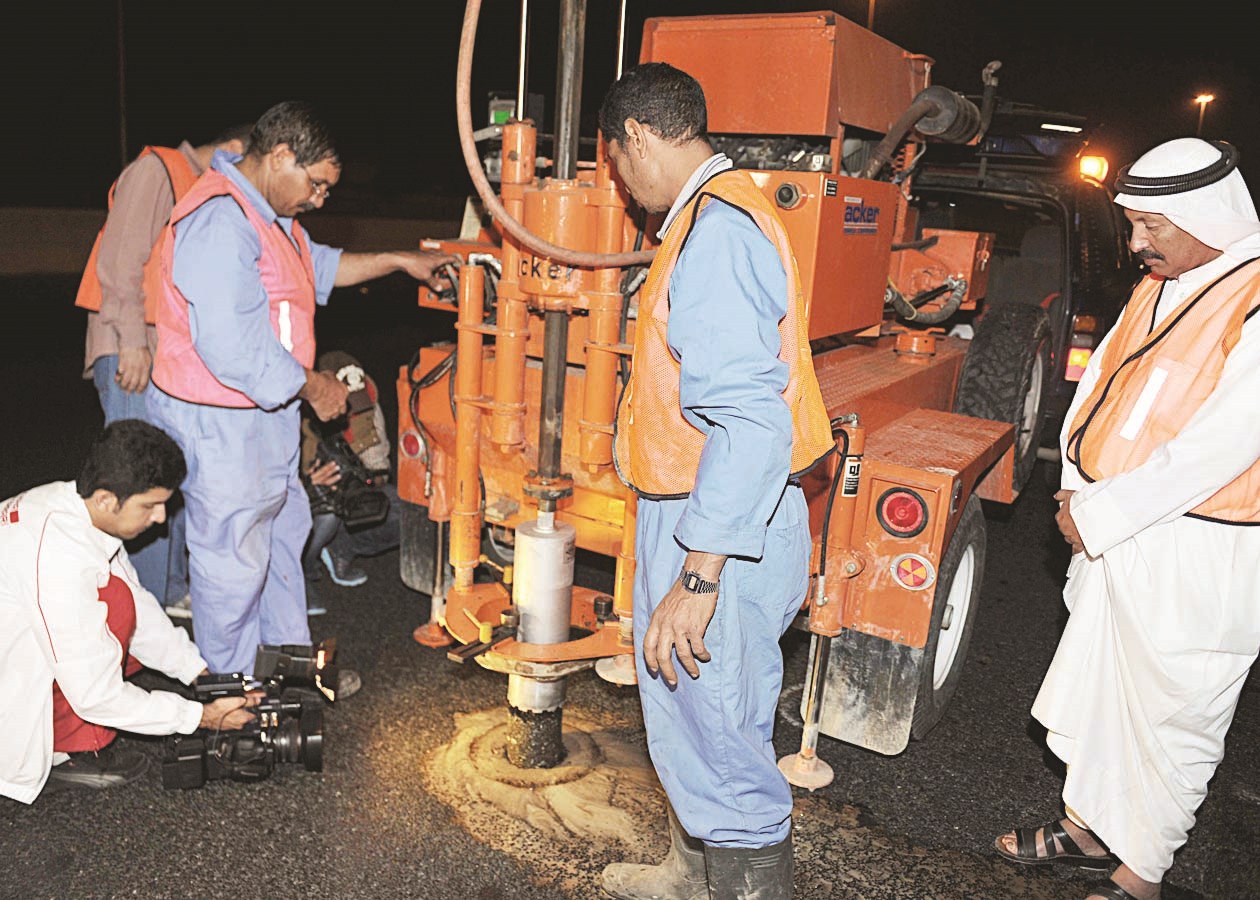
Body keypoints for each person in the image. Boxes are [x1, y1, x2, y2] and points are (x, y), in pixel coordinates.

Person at [993, 137, 1260, 900]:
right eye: (1134, 225)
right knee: (1101, 693)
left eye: (1152, 227)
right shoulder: (1168, 275)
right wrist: (1076, 488)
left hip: (1199, 547)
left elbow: (1223, 443)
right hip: (1115, 528)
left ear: (1205, 215)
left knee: (1174, 715)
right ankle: (1084, 829)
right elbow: (1105, 381)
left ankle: (1140, 875)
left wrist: (1101, 513)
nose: (1137, 244)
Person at [598, 64, 833, 900]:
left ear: (637, 138)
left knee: (724, 731)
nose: (623, 184)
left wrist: (699, 573)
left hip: (721, 523)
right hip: (708, 508)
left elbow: (749, 420)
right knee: (694, 712)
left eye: (619, 163)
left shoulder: (715, 231)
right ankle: (690, 874)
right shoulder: (714, 214)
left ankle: (741, 886)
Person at [146, 100, 455, 683]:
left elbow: (318, 267)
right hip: (221, 421)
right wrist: (313, 387)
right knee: (232, 563)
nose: (319, 200)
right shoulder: (219, 219)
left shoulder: (268, 216)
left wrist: (397, 261)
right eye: (315, 185)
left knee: (282, 541)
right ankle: (234, 695)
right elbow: (232, 346)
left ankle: (286, 670)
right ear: (281, 156)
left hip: (263, 416)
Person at [0, 420, 258, 804]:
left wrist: (203, 677)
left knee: (120, 605)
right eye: (150, 505)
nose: (160, 517)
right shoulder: (57, 559)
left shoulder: (70, 506)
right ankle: (68, 752)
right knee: (111, 621)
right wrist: (201, 718)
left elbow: (138, 606)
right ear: (107, 499)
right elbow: (96, 694)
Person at [76, 125, 253, 619]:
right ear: (234, 149)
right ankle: (142, 600)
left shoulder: (192, 182)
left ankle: (165, 589)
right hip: (133, 347)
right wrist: (131, 342)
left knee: (164, 472)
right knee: (136, 473)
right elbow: (119, 263)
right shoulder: (156, 170)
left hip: (160, 352)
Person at [300, 350, 401, 613]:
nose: (345, 409)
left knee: (405, 512)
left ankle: (340, 547)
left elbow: (379, 468)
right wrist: (307, 483)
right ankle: (300, 573)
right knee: (326, 515)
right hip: (301, 498)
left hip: (347, 491)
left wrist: (358, 479)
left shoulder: (364, 401)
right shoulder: (291, 414)